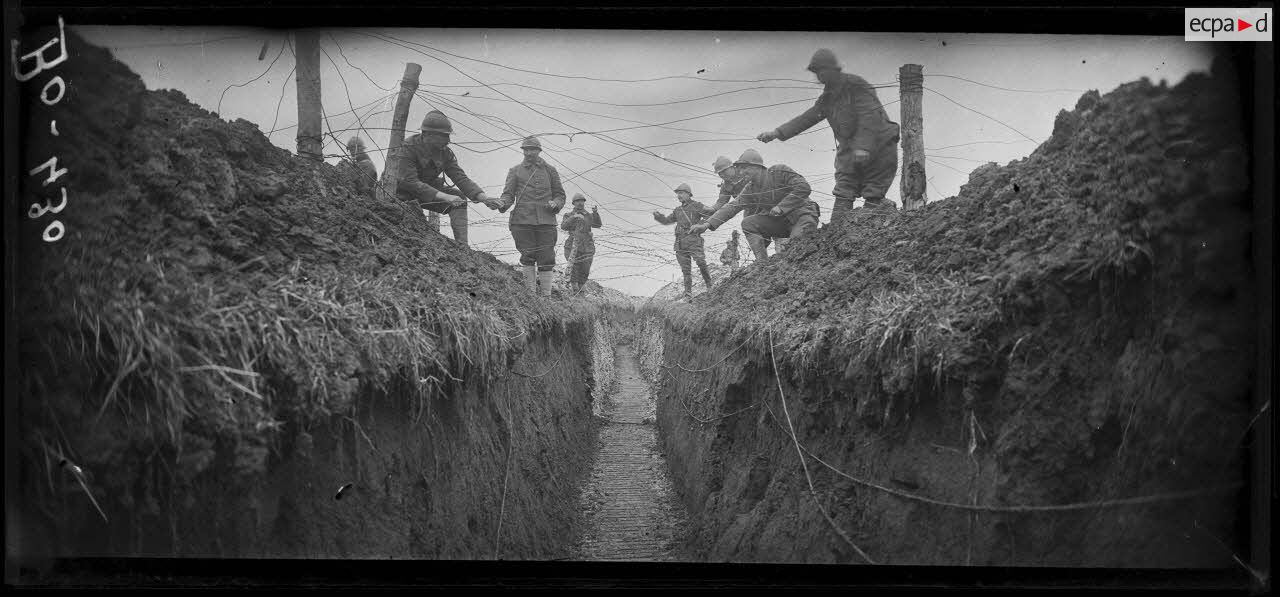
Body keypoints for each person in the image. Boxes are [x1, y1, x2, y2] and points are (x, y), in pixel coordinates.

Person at [756, 48, 900, 222]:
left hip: (879, 144)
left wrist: (863, 146)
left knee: (874, 192)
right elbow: (808, 117)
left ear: (834, 69)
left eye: (822, 70)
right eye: (816, 72)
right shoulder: (827, 98)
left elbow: (869, 115)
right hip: (850, 148)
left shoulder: (856, 85)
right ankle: (836, 232)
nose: (820, 76)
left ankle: (876, 225)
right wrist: (776, 133)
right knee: (844, 188)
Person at [688, 149, 818, 262]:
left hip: (802, 215)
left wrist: (781, 207)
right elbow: (733, 206)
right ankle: (762, 264)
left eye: (745, 168)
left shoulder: (779, 171)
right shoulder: (750, 188)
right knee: (748, 223)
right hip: (779, 222)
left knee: (795, 250)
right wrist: (706, 224)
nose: (742, 171)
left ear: (756, 166)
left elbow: (803, 187)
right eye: (740, 168)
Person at [393, 110, 500, 245]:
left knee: (459, 199)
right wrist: (445, 197)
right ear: (427, 134)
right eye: (444, 136)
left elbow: (460, 178)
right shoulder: (408, 147)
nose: (448, 141)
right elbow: (410, 182)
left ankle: (463, 247)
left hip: (426, 194)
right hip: (399, 194)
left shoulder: (445, 153)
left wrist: (483, 198)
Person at [497, 136, 566, 296]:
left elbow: (560, 195)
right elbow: (508, 195)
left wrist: (556, 203)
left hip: (546, 222)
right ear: (523, 151)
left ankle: (546, 297)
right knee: (527, 256)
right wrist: (502, 203)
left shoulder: (550, 170)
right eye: (526, 149)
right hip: (522, 222)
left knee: (547, 257)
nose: (529, 153)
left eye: (532, 149)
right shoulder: (515, 171)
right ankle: (531, 296)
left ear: (539, 151)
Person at [653, 183, 715, 300]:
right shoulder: (678, 210)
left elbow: (710, 215)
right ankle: (688, 295)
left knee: (701, 263)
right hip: (680, 243)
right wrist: (658, 216)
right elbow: (667, 221)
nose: (678, 196)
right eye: (678, 194)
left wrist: (700, 225)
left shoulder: (697, 206)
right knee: (686, 271)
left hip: (694, 240)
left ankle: (709, 286)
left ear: (688, 194)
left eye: (681, 193)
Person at [560, 193, 602, 293]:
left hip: (587, 245)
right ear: (573, 203)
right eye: (577, 201)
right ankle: (574, 287)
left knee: (585, 267)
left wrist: (595, 214)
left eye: (582, 201)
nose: (580, 203)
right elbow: (564, 226)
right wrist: (574, 217)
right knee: (574, 266)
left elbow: (597, 224)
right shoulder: (568, 215)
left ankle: (581, 287)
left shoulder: (588, 215)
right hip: (572, 244)